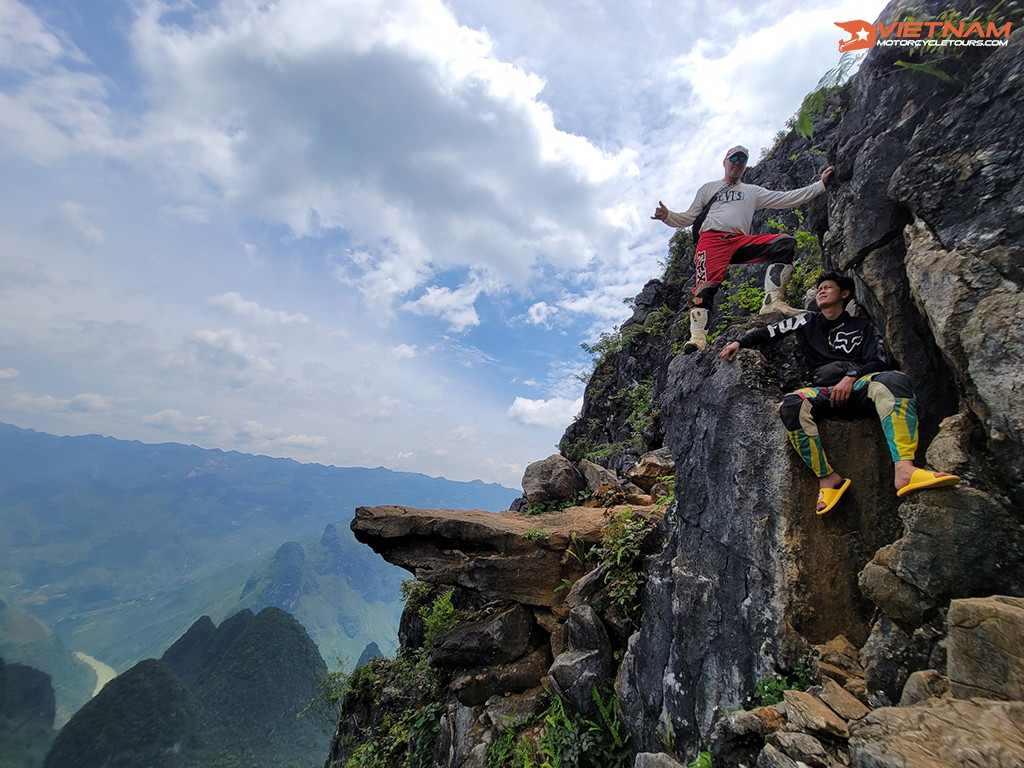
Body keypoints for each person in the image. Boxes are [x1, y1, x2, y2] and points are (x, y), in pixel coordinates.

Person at [719, 273, 960, 515]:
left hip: (860, 385)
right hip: (823, 390)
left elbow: (879, 360)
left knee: (894, 380)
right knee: (792, 404)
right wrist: (739, 343)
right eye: (819, 288)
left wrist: (852, 376)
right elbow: (769, 332)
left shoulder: (863, 326)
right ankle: (828, 478)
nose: (821, 291)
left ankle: (905, 470)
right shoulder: (807, 321)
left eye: (828, 288)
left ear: (844, 294)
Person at [652, 145, 835, 354]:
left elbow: (786, 198)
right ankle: (697, 336)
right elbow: (688, 217)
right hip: (711, 240)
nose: (737, 163)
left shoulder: (751, 192)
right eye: (734, 158)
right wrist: (668, 216)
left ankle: (773, 302)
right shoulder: (708, 188)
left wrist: (821, 185)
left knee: (783, 242)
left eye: (742, 160)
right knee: (705, 286)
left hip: (739, 240)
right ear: (725, 162)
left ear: (745, 166)